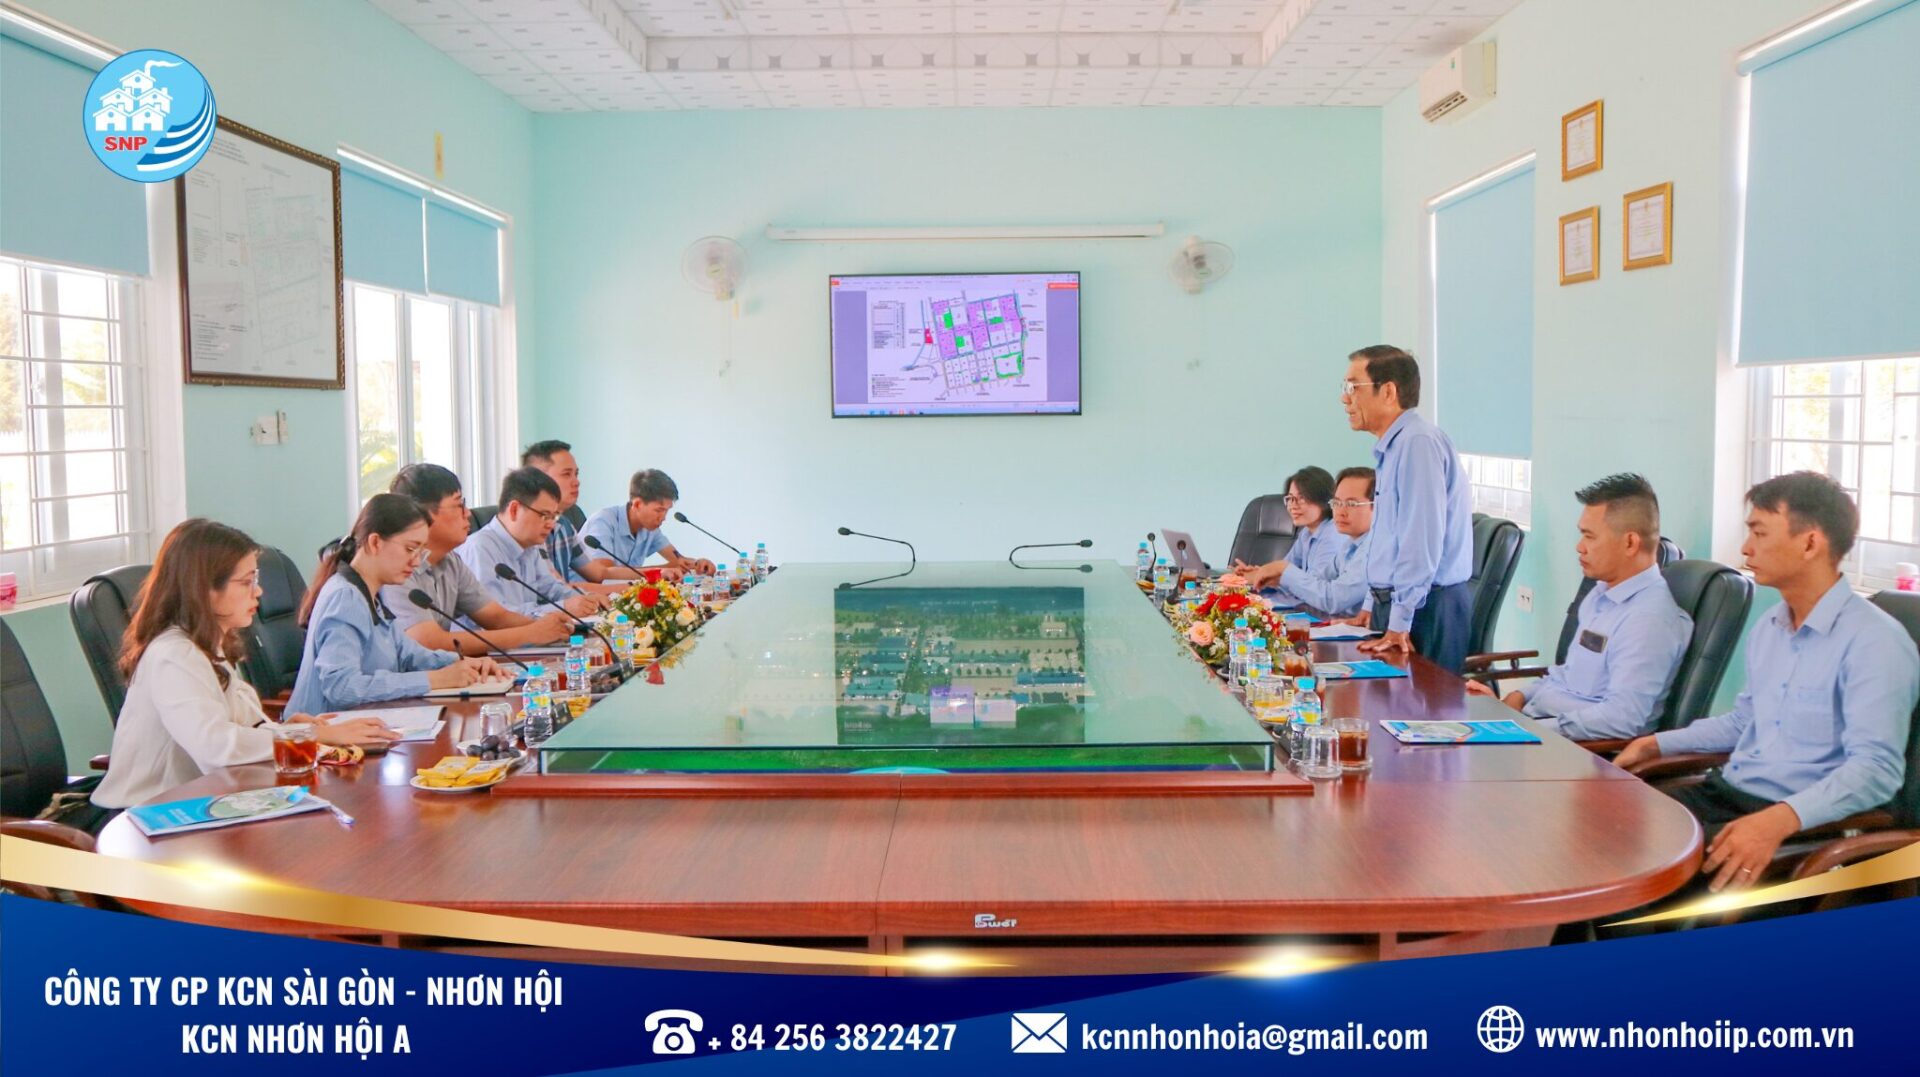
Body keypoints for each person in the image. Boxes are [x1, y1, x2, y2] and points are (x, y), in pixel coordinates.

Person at [1615, 473, 1918, 893]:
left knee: (1629, 870)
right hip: (1727, 795)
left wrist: (1780, 820)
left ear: (1810, 544)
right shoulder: (1770, 627)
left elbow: (1876, 771)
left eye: (1759, 532)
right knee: (1604, 827)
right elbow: (1743, 722)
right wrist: (1655, 743)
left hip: (1800, 823)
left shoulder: (1875, 642)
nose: (1745, 548)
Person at [93, 520, 399, 810]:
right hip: (148, 815)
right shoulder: (173, 654)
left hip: (199, 801)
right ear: (204, 588)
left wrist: (287, 730)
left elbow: (233, 725)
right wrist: (310, 736)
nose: (259, 591)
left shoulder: (207, 644)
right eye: (246, 582)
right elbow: (214, 746)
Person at [1468, 473, 1691, 741]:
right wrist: (1518, 697)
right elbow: (1567, 675)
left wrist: (1525, 729)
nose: (1580, 547)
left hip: (1573, 750)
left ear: (1630, 543)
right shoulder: (1600, 595)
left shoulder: (1649, 620)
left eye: (1590, 536)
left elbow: (1622, 719)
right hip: (1537, 727)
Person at [288, 495, 503, 716]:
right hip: (322, 732)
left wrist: (466, 663)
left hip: (363, 721)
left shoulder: (371, 593)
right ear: (375, 542)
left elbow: (408, 654)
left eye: (420, 552)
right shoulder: (346, 597)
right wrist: (434, 679)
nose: (416, 562)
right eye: (410, 549)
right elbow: (342, 687)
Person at [1341, 345, 1475, 672]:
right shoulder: (1394, 447)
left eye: (1353, 387)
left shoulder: (1418, 443)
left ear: (1388, 392)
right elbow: (1388, 538)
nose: (1345, 398)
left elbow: (1420, 540)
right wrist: (1372, 602)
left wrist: (1400, 621)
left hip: (1425, 608)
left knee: (1422, 704)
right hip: (1402, 605)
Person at [385, 463, 574, 655]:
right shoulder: (397, 569)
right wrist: (530, 634)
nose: (468, 513)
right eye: (459, 505)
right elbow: (429, 642)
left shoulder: (451, 561)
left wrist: (548, 627)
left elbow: (496, 617)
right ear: (423, 514)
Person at [454, 468, 604, 618]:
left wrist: (587, 599)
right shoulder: (479, 549)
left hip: (531, 631)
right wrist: (563, 608)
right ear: (514, 510)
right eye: (545, 515)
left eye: (554, 517)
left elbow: (552, 588)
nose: (551, 525)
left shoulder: (531, 546)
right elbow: (496, 617)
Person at [1245, 467, 1376, 618]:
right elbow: (1318, 582)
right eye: (1337, 502)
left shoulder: (1373, 549)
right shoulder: (1350, 545)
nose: (1340, 511)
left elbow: (1332, 599)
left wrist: (1283, 571)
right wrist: (1273, 575)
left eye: (1351, 504)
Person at [521, 439, 628, 595]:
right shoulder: (526, 530)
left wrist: (656, 575)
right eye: (566, 474)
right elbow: (556, 589)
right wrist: (631, 589)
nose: (576, 482)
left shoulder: (564, 525)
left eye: (576, 474)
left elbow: (599, 573)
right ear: (539, 480)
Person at [579, 469, 717, 581]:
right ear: (637, 504)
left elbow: (678, 561)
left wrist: (698, 564)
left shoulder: (649, 527)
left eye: (667, 511)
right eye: (659, 510)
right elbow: (605, 575)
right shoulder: (603, 521)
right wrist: (659, 572)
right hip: (585, 598)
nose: (663, 518)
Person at [1231, 466, 1348, 594]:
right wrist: (1261, 574)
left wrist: (1265, 576)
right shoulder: (1306, 533)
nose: (1292, 506)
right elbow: (1284, 571)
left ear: (1324, 500)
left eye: (1302, 498)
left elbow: (1315, 588)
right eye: (1290, 498)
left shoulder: (1333, 535)